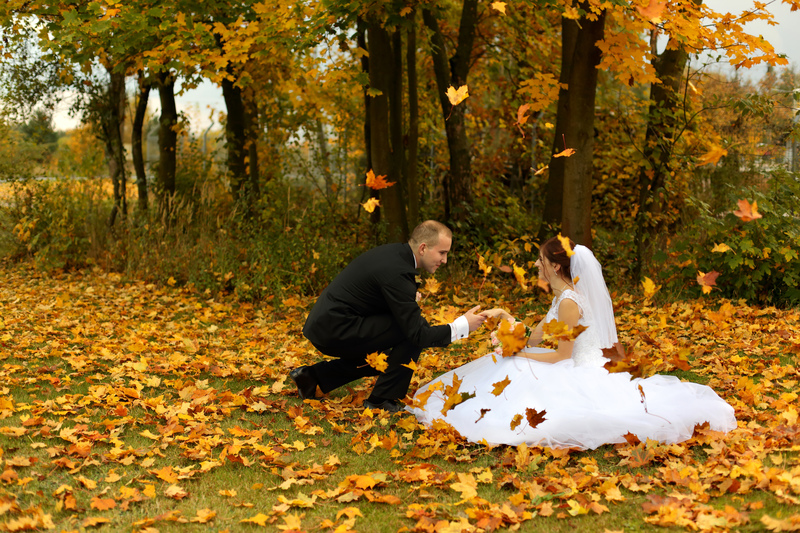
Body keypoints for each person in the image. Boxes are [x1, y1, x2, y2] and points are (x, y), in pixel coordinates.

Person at [408, 236, 737, 449]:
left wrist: (517, 351)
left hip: (579, 369)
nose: (536, 264)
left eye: (540, 260)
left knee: (514, 366)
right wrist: (505, 320)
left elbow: (561, 357)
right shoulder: (561, 297)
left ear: (553, 265)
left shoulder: (569, 303)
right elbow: (534, 335)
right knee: (507, 362)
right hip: (566, 361)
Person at [291, 220, 486, 413]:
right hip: (334, 329)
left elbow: (375, 295)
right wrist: (463, 326)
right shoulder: (398, 271)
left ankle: (313, 377)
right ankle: (381, 400)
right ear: (423, 248)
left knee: (393, 352)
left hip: (330, 323)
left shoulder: (396, 255)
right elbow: (418, 334)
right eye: (442, 253)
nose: (444, 260)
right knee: (410, 333)